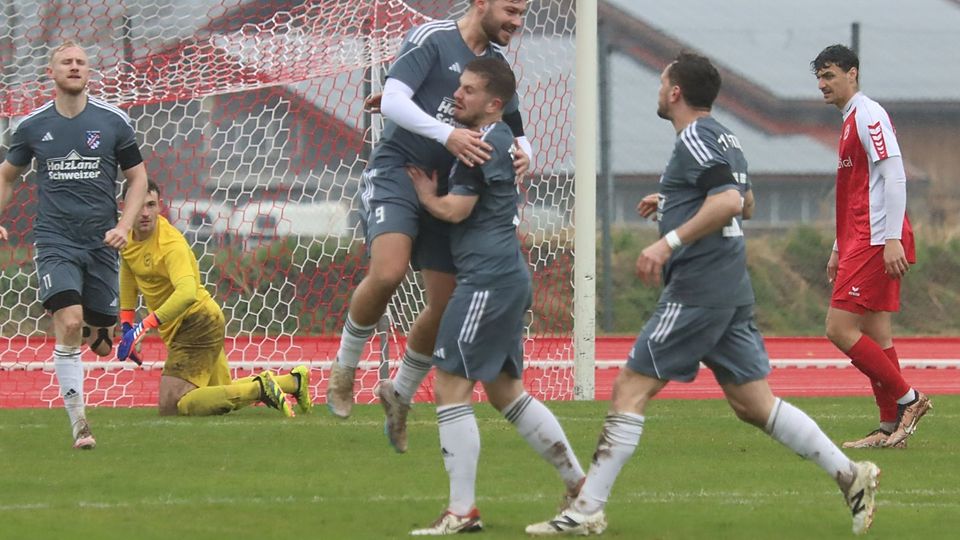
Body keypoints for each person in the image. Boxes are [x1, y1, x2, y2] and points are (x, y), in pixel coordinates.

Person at [525, 52, 880, 537]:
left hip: (698, 290)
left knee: (630, 387)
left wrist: (667, 241)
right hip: (729, 287)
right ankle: (850, 475)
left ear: (675, 92)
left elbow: (731, 201)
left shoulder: (693, 137)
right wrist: (673, 201)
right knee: (754, 405)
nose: (658, 88)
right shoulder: (724, 135)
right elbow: (747, 200)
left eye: (662, 81)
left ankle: (586, 511)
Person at [327, 0, 532, 450]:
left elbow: (516, 131)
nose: (517, 23)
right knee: (388, 271)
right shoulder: (431, 38)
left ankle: (399, 395)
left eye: (522, 14)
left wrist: (525, 154)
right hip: (400, 173)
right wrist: (447, 134)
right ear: (482, 4)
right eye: (512, 11)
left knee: (443, 308)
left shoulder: (494, 67)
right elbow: (395, 100)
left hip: (447, 191)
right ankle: (344, 369)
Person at [405, 57, 584, 536]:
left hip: (487, 280)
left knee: (450, 384)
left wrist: (425, 197)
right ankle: (579, 488)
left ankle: (461, 511)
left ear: (494, 103)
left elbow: (457, 210)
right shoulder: (501, 137)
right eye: (458, 86)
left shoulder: (480, 145)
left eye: (468, 89)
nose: (457, 95)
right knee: (506, 393)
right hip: (505, 276)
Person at [0, 41, 149, 450]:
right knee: (68, 321)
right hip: (55, 241)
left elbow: (138, 178)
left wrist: (124, 223)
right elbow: (7, 175)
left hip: (102, 244)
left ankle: (102, 328)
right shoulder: (32, 126)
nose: (74, 66)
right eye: (66, 61)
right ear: (52, 72)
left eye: (81, 62)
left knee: (101, 344)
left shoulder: (114, 121)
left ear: (89, 72)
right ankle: (80, 423)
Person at [811, 44, 931, 449]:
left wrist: (892, 236)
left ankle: (909, 400)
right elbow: (855, 192)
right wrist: (836, 247)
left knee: (839, 328)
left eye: (830, 75)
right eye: (819, 78)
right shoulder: (848, 122)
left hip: (876, 237)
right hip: (859, 239)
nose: (823, 84)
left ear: (853, 74)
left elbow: (894, 175)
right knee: (877, 330)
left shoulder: (868, 114)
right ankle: (888, 427)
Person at [116, 181, 312, 418]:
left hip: (196, 322)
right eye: (139, 205)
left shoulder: (170, 243)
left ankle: (260, 388)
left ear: (159, 206)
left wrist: (144, 325)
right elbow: (129, 270)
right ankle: (293, 382)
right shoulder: (124, 234)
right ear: (126, 207)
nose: (145, 213)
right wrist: (127, 324)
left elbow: (187, 293)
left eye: (151, 205)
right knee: (221, 393)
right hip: (192, 322)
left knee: (173, 406)